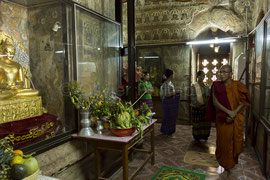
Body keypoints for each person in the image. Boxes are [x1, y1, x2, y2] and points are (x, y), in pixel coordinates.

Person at [206, 65, 250, 177]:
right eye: (220, 72)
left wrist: (234, 113)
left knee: (234, 142)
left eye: (224, 72)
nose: (221, 74)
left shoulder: (238, 86)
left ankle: (230, 164)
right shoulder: (216, 86)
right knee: (223, 142)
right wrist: (228, 112)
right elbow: (215, 102)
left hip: (235, 119)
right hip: (223, 120)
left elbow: (244, 101)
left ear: (231, 74)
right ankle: (224, 164)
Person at [191, 70, 211, 141]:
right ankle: (197, 136)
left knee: (205, 122)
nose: (202, 77)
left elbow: (209, 96)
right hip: (197, 108)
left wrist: (205, 105)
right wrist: (199, 105)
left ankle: (204, 135)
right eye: (200, 76)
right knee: (198, 123)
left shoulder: (206, 86)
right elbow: (193, 97)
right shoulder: (194, 86)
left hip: (205, 107)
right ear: (197, 76)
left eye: (203, 76)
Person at [160, 69, 180, 136]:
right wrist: (175, 92)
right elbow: (167, 94)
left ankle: (169, 131)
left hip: (171, 102)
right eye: (173, 74)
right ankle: (166, 131)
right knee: (167, 117)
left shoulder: (170, 83)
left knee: (170, 117)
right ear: (171, 75)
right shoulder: (166, 84)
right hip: (167, 102)